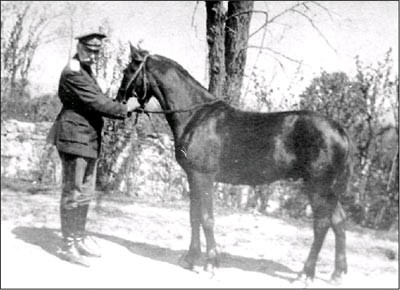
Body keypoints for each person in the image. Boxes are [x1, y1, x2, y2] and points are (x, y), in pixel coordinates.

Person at [47, 31, 139, 267]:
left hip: (87, 138)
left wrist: (122, 106)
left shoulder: (85, 71)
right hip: (74, 137)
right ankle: (67, 244)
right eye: (90, 50)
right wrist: (124, 108)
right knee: (73, 191)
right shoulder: (73, 72)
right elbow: (96, 102)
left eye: (98, 51)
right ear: (79, 46)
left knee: (85, 193)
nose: (94, 55)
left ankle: (78, 237)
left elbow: (97, 100)